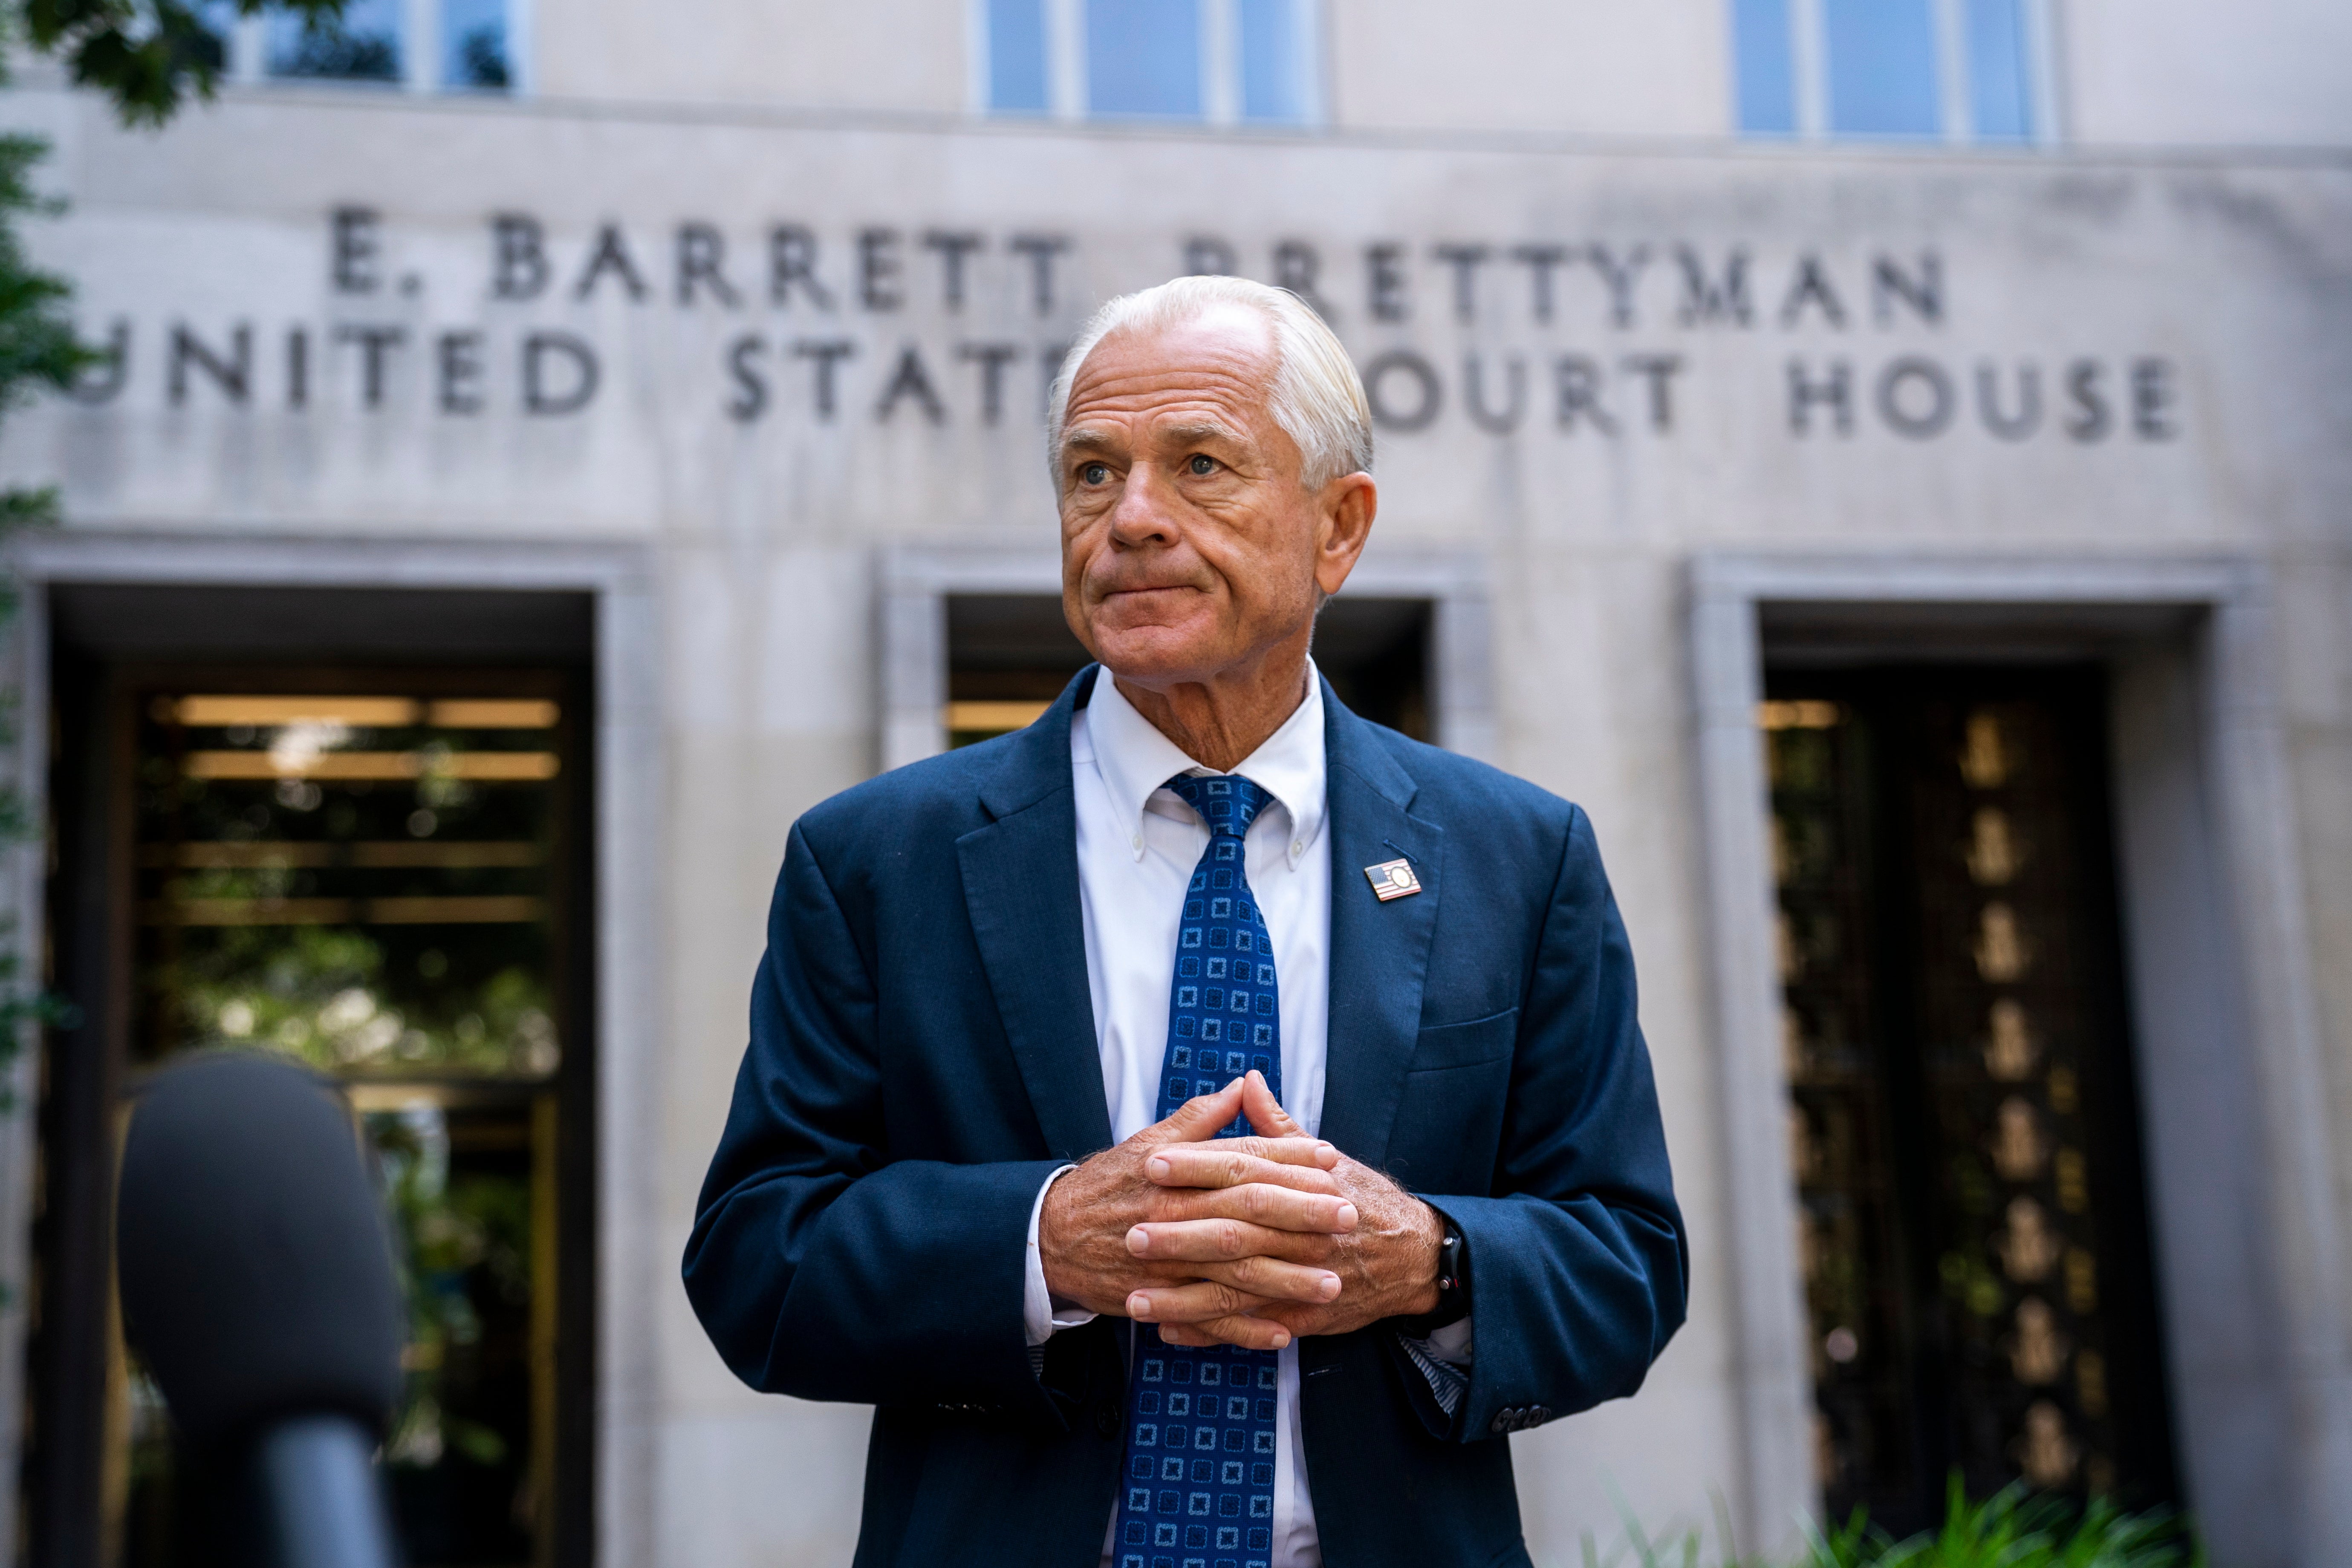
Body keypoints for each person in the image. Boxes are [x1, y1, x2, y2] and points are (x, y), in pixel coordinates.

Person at [683, 275, 1687, 1568]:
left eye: (1200, 465)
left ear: (1339, 527)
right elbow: (757, 1262)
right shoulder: (880, 857)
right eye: (1092, 474)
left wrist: (1427, 1260)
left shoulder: (1517, 855)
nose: (1132, 520)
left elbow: (1627, 1263)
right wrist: (1047, 1244)